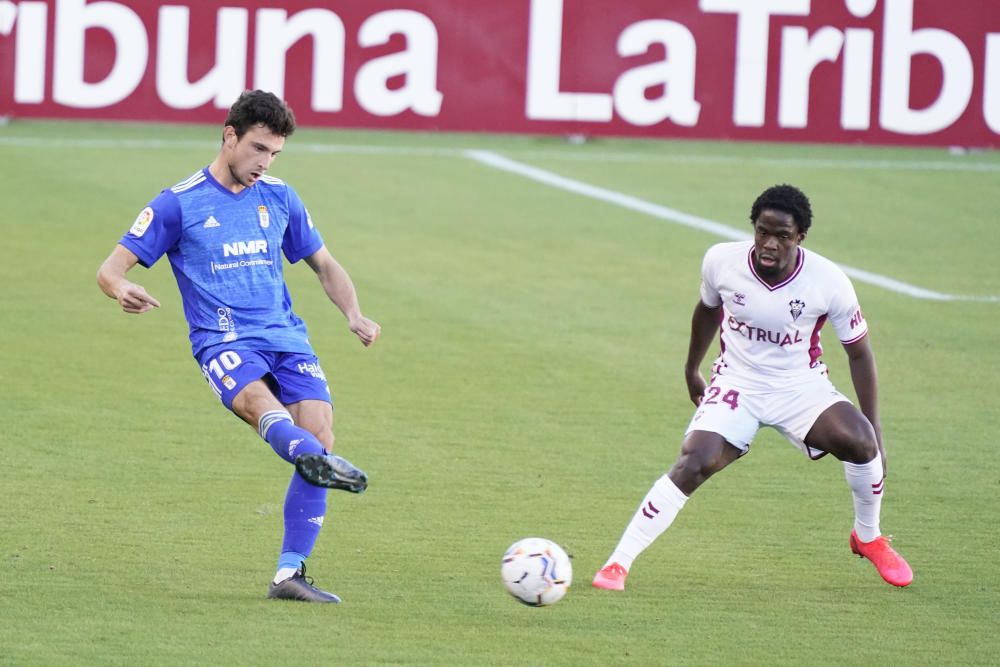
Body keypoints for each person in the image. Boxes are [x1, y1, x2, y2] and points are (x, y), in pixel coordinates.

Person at [97, 90, 381, 603]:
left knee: (319, 433)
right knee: (260, 407)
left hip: (286, 336)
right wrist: (122, 289)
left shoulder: (279, 196)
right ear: (229, 136)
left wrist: (353, 313)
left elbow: (325, 264)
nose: (263, 163)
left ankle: (287, 575)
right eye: (257, 149)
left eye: (274, 154)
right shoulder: (177, 203)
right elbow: (110, 268)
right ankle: (311, 460)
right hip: (222, 340)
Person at [592, 184, 912, 590]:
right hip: (737, 383)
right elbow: (707, 311)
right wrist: (692, 367)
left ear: (800, 237)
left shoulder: (828, 281)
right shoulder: (721, 261)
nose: (769, 244)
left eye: (782, 236)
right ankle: (617, 564)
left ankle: (868, 536)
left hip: (800, 387)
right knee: (695, 461)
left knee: (862, 442)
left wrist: (876, 425)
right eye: (763, 231)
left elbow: (859, 353)